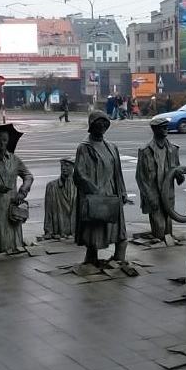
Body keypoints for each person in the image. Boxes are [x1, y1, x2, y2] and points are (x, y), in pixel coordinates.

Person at [74, 110, 129, 265]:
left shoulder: (112, 147)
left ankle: (119, 258)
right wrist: (94, 190)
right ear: (92, 125)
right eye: (99, 123)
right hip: (96, 195)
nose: (103, 126)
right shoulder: (84, 147)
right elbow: (79, 174)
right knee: (95, 229)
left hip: (112, 193)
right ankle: (91, 258)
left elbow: (118, 172)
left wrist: (123, 192)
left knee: (118, 229)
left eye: (105, 123)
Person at [136, 117, 183, 241]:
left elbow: (178, 172)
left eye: (167, 127)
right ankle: (159, 240)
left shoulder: (173, 149)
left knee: (168, 226)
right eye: (163, 127)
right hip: (154, 193)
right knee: (159, 227)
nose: (166, 130)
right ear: (155, 129)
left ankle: (166, 241)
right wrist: (149, 196)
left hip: (168, 193)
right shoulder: (145, 151)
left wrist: (180, 176)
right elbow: (140, 177)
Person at [43, 158, 76, 239]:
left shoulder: (79, 186)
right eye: (62, 166)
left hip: (74, 231)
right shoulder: (52, 186)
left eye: (67, 166)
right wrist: (48, 231)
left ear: (73, 167)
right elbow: (48, 212)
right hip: (60, 230)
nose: (64, 168)